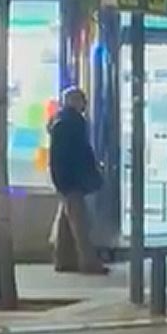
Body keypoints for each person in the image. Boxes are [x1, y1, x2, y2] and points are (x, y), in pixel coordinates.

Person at [47, 87, 108, 274]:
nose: (85, 105)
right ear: (74, 102)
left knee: (67, 222)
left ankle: (63, 260)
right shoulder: (72, 123)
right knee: (80, 223)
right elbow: (78, 154)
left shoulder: (60, 122)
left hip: (64, 179)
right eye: (82, 101)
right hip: (72, 181)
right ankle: (89, 263)